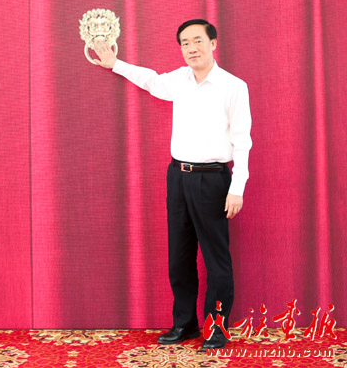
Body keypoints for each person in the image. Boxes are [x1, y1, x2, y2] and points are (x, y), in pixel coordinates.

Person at [92, 20, 252, 350]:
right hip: (178, 177)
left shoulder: (233, 87)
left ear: (213, 43)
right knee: (179, 257)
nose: (191, 48)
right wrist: (115, 64)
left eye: (197, 41)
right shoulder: (179, 80)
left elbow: (242, 140)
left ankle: (216, 328)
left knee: (216, 259)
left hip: (213, 180)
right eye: (185, 43)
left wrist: (237, 187)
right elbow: (151, 80)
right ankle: (185, 324)